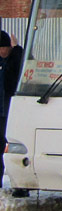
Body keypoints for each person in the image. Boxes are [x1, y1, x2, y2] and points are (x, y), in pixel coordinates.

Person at [0, 29, 26, 194]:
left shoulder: (15, 60)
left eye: (4, 48)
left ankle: (21, 186)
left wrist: (17, 48)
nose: (2, 51)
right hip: (1, 114)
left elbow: (24, 61)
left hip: (13, 114)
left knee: (17, 150)